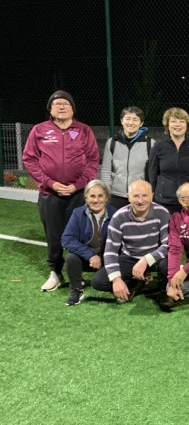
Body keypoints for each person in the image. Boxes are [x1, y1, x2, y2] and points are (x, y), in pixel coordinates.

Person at [22, 90, 100, 292]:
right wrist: (50, 183)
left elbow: (92, 160)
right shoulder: (39, 130)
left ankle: (77, 273)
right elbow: (29, 159)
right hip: (50, 194)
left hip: (77, 194)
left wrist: (78, 185)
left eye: (66, 103)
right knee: (54, 235)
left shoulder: (84, 130)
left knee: (81, 234)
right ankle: (56, 273)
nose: (62, 106)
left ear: (73, 108)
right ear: (50, 109)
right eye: (57, 104)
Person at [91, 180, 170, 304]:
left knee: (167, 263)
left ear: (151, 196)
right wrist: (116, 280)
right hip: (130, 257)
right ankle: (135, 283)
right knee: (98, 281)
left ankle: (164, 292)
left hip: (154, 257)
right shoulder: (119, 217)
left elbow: (169, 244)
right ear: (128, 197)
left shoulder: (162, 213)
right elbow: (110, 251)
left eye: (144, 195)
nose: (140, 200)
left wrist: (146, 260)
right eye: (136, 196)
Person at [61, 180, 119, 306]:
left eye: (100, 196)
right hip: (89, 259)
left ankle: (122, 285)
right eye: (92, 196)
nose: (96, 200)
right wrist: (90, 254)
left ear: (107, 198)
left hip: (110, 259)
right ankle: (76, 289)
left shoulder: (116, 214)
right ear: (86, 198)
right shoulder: (77, 213)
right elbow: (67, 239)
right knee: (71, 258)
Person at [148, 107, 189, 214]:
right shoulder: (158, 147)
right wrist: (153, 195)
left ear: (187, 125)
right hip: (164, 201)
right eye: (173, 121)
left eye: (181, 121)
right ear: (167, 125)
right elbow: (152, 174)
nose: (177, 125)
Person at [99, 105, 155, 209]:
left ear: (141, 123)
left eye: (135, 119)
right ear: (121, 121)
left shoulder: (150, 143)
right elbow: (106, 169)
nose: (131, 123)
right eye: (127, 119)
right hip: (116, 196)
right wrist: (107, 190)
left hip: (140, 195)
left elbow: (154, 171)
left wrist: (150, 192)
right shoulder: (112, 142)